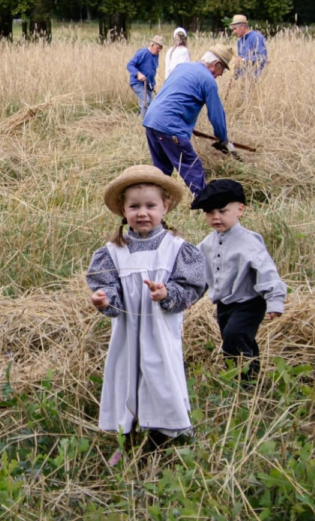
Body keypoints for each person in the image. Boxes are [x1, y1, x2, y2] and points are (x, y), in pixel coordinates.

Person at [87, 165, 208, 466]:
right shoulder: (113, 252)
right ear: (123, 210)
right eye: (134, 207)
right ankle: (127, 440)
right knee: (126, 379)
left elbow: (191, 287)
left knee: (161, 379)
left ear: (165, 207)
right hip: (127, 334)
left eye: (150, 206)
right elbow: (108, 288)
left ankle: (163, 441)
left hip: (160, 333)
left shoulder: (176, 249)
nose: (142, 213)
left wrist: (167, 294)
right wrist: (104, 300)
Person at [191, 180, 286, 384]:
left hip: (249, 303)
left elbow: (266, 271)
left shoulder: (249, 242)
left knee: (233, 338)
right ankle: (252, 377)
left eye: (222, 211)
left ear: (240, 210)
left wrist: (275, 300)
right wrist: (190, 296)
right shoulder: (207, 244)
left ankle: (242, 380)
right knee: (238, 338)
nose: (216, 217)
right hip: (224, 304)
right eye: (210, 212)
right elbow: (200, 274)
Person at [141, 45, 237, 195]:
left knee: (162, 171)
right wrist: (223, 139)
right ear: (216, 64)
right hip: (170, 127)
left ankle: (153, 201)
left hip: (151, 121)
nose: (221, 74)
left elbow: (172, 96)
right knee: (193, 168)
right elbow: (216, 115)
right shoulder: (208, 81)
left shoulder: (182, 68)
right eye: (223, 69)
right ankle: (204, 202)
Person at [126, 35, 164, 118]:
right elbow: (130, 65)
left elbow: (152, 69)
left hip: (148, 84)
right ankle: (143, 122)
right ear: (152, 45)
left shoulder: (156, 55)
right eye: (158, 48)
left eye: (161, 48)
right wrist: (138, 74)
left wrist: (152, 84)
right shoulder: (143, 53)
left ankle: (138, 119)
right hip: (137, 83)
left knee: (150, 105)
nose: (160, 50)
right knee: (146, 102)